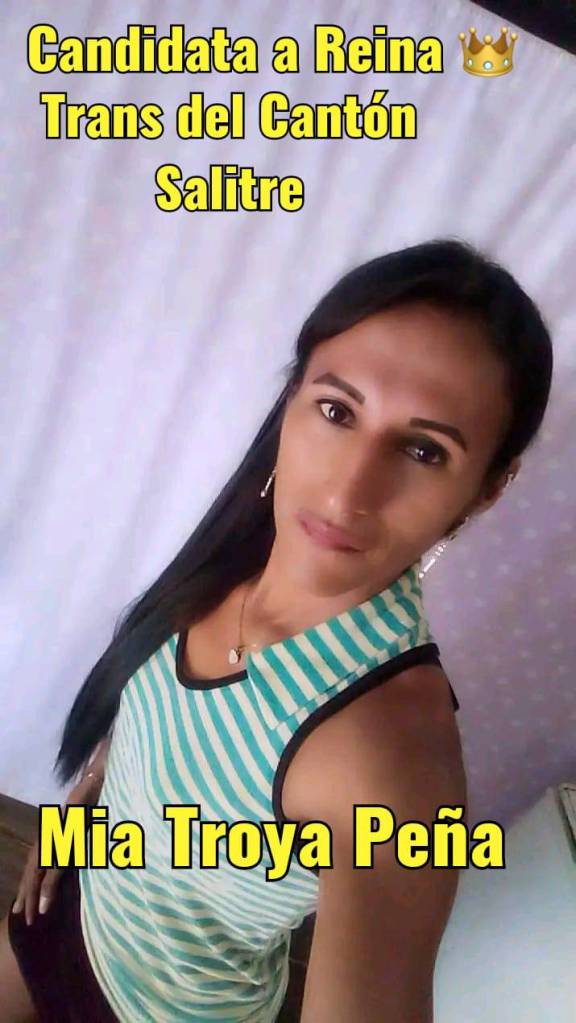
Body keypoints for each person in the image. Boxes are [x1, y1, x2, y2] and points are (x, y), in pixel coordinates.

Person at [0, 238, 553, 1022]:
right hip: (64, 907)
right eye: (337, 411)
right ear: (293, 400)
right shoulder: (234, 559)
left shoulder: (388, 752)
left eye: (423, 449)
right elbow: (157, 722)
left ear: (488, 488)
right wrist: (81, 818)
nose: (347, 491)